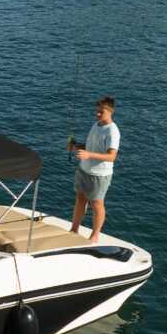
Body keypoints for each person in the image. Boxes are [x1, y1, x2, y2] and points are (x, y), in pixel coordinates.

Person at [68, 96, 120, 243]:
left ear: (111, 111)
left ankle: (95, 235)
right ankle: (74, 229)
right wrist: (77, 146)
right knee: (80, 199)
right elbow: (91, 147)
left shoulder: (112, 131)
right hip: (84, 170)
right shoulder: (96, 125)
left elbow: (112, 156)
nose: (97, 114)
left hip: (99, 175)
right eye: (97, 111)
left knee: (97, 204)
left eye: (101, 112)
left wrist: (88, 154)